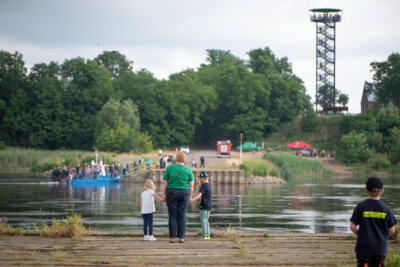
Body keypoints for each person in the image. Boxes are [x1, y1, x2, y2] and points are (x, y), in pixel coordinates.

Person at [350, 176, 397, 267]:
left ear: (366, 190)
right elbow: (392, 230)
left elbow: (352, 226)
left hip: (363, 248)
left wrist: (359, 234)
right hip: (380, 249)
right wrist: (383, 237)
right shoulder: (386, 209)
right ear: (382, 190)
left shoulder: (361, 207)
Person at [162, 151, 194, 243]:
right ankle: (182, 237)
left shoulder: (169, 168)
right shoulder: (188, 169)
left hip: (171, 192)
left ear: (176, 159)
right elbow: (191, 185)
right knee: (182, 215)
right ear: (184, 159)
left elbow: (165, 183)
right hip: (185, 193)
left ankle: (172, 237)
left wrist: (164, 194)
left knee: (172, 215)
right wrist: (190, 195)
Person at [190, 171, 212, 240]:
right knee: (206, 220)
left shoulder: (204, 185)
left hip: (204, 205)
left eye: (200, 178)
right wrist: (199, 184)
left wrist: (193, 200)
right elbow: (200, 192)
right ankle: (207, 235)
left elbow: (199, 194)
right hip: (208, 205)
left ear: (204, 178)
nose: (199, 179)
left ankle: (204, 235)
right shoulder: (208, 185)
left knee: (203, 220)